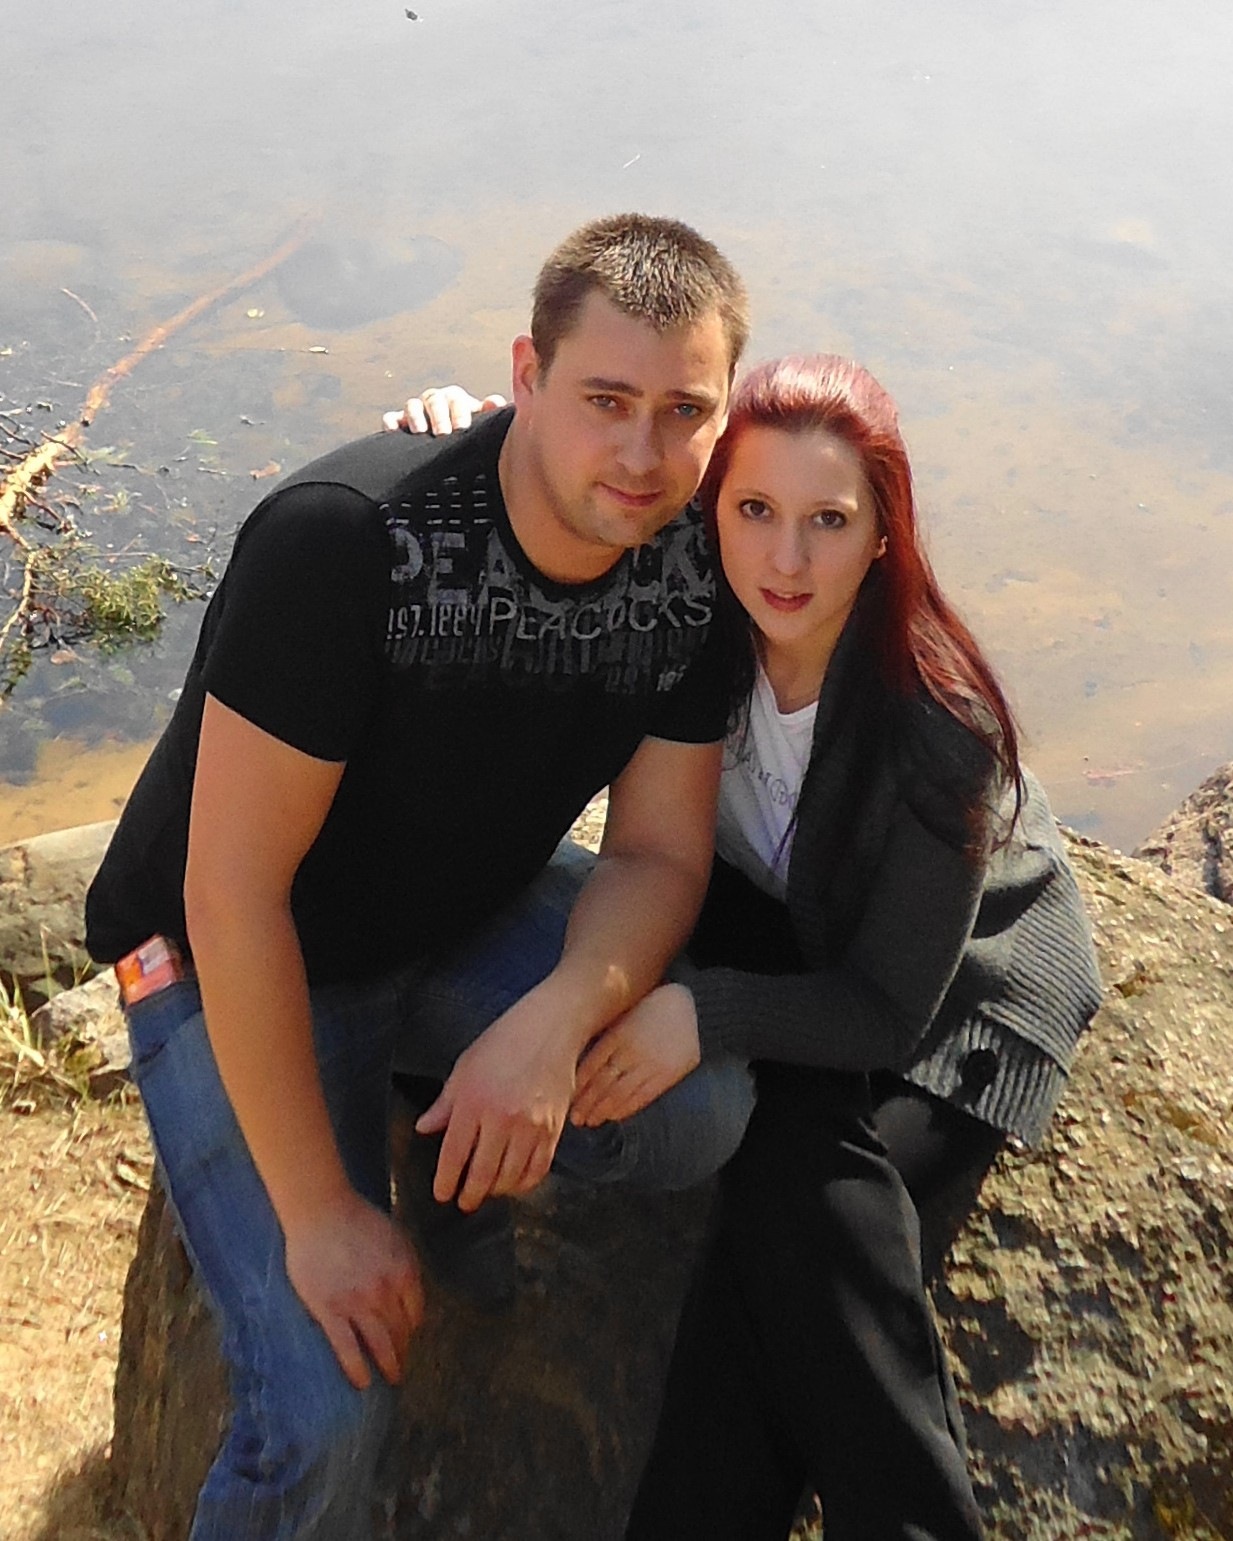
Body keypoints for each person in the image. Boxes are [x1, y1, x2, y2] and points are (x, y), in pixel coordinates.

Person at [85, 212, 766, 1541]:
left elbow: (657, 851)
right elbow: (231, 894)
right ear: (524, 374)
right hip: (225, 960)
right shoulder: (350, 543)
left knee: (697, 1106)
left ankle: (431, 1114)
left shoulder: (693, 567)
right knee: (329, 1406)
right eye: (604, 400)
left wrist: (553, 1023)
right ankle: (388, 1135)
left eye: (683, 411)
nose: (641, 454)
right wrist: (319, 1213)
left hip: (452, 921)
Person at [391, 357, 1102, 1539]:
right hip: (774, 927)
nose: (786, 558)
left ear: (884, 535)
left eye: (830, 520)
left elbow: (880, 1009)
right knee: (778, 1230)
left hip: (954, 988)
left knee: (801, 1215)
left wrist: (704, 1013)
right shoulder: (696, 611)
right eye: (756, 508)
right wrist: (473, 432)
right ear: (713, 507)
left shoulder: (939, 732)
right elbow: (587, 479)